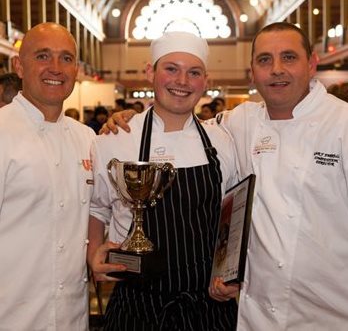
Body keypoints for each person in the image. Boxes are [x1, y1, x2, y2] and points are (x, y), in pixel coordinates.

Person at [103, 22, 348, 330]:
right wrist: (130, 121)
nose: (276, 70)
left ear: (312, 63)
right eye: (264, 60)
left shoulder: (342, 124)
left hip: (330, 308)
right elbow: (183, 126)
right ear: (252, 71)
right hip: (255, 310)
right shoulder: (239, 123)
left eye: (288, 57)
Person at [88, 31, 240, 330]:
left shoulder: (221, 140)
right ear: (150, 72)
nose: (182, 81)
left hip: (207, 306)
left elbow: (230, 215)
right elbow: (97, 207)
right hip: (135, 305)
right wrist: (93, 253)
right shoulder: (116, 138)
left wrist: (232, 275)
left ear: (205, 81)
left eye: (193, 72)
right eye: (171, 68)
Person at [0, 22, 95, 330]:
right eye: (43, 56)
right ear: (19, 66)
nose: (56, 68)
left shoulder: (88, 139)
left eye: (66, 58)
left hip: (72, 317)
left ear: (76, 70)